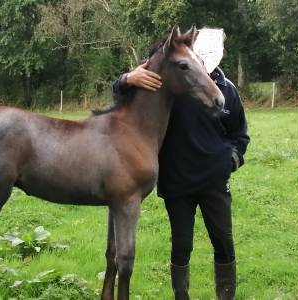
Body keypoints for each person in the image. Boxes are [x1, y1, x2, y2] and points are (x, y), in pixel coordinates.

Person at [111, 29, 250, 300]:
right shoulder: (172, 83)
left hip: (214, 183)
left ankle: (226, 296)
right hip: (177, 181)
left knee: (223, 242)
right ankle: (181, 296)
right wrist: (127, 77)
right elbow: (120, 95)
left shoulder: (227, 89)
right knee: (181, 246)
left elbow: (240, 135)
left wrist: (230, 162)